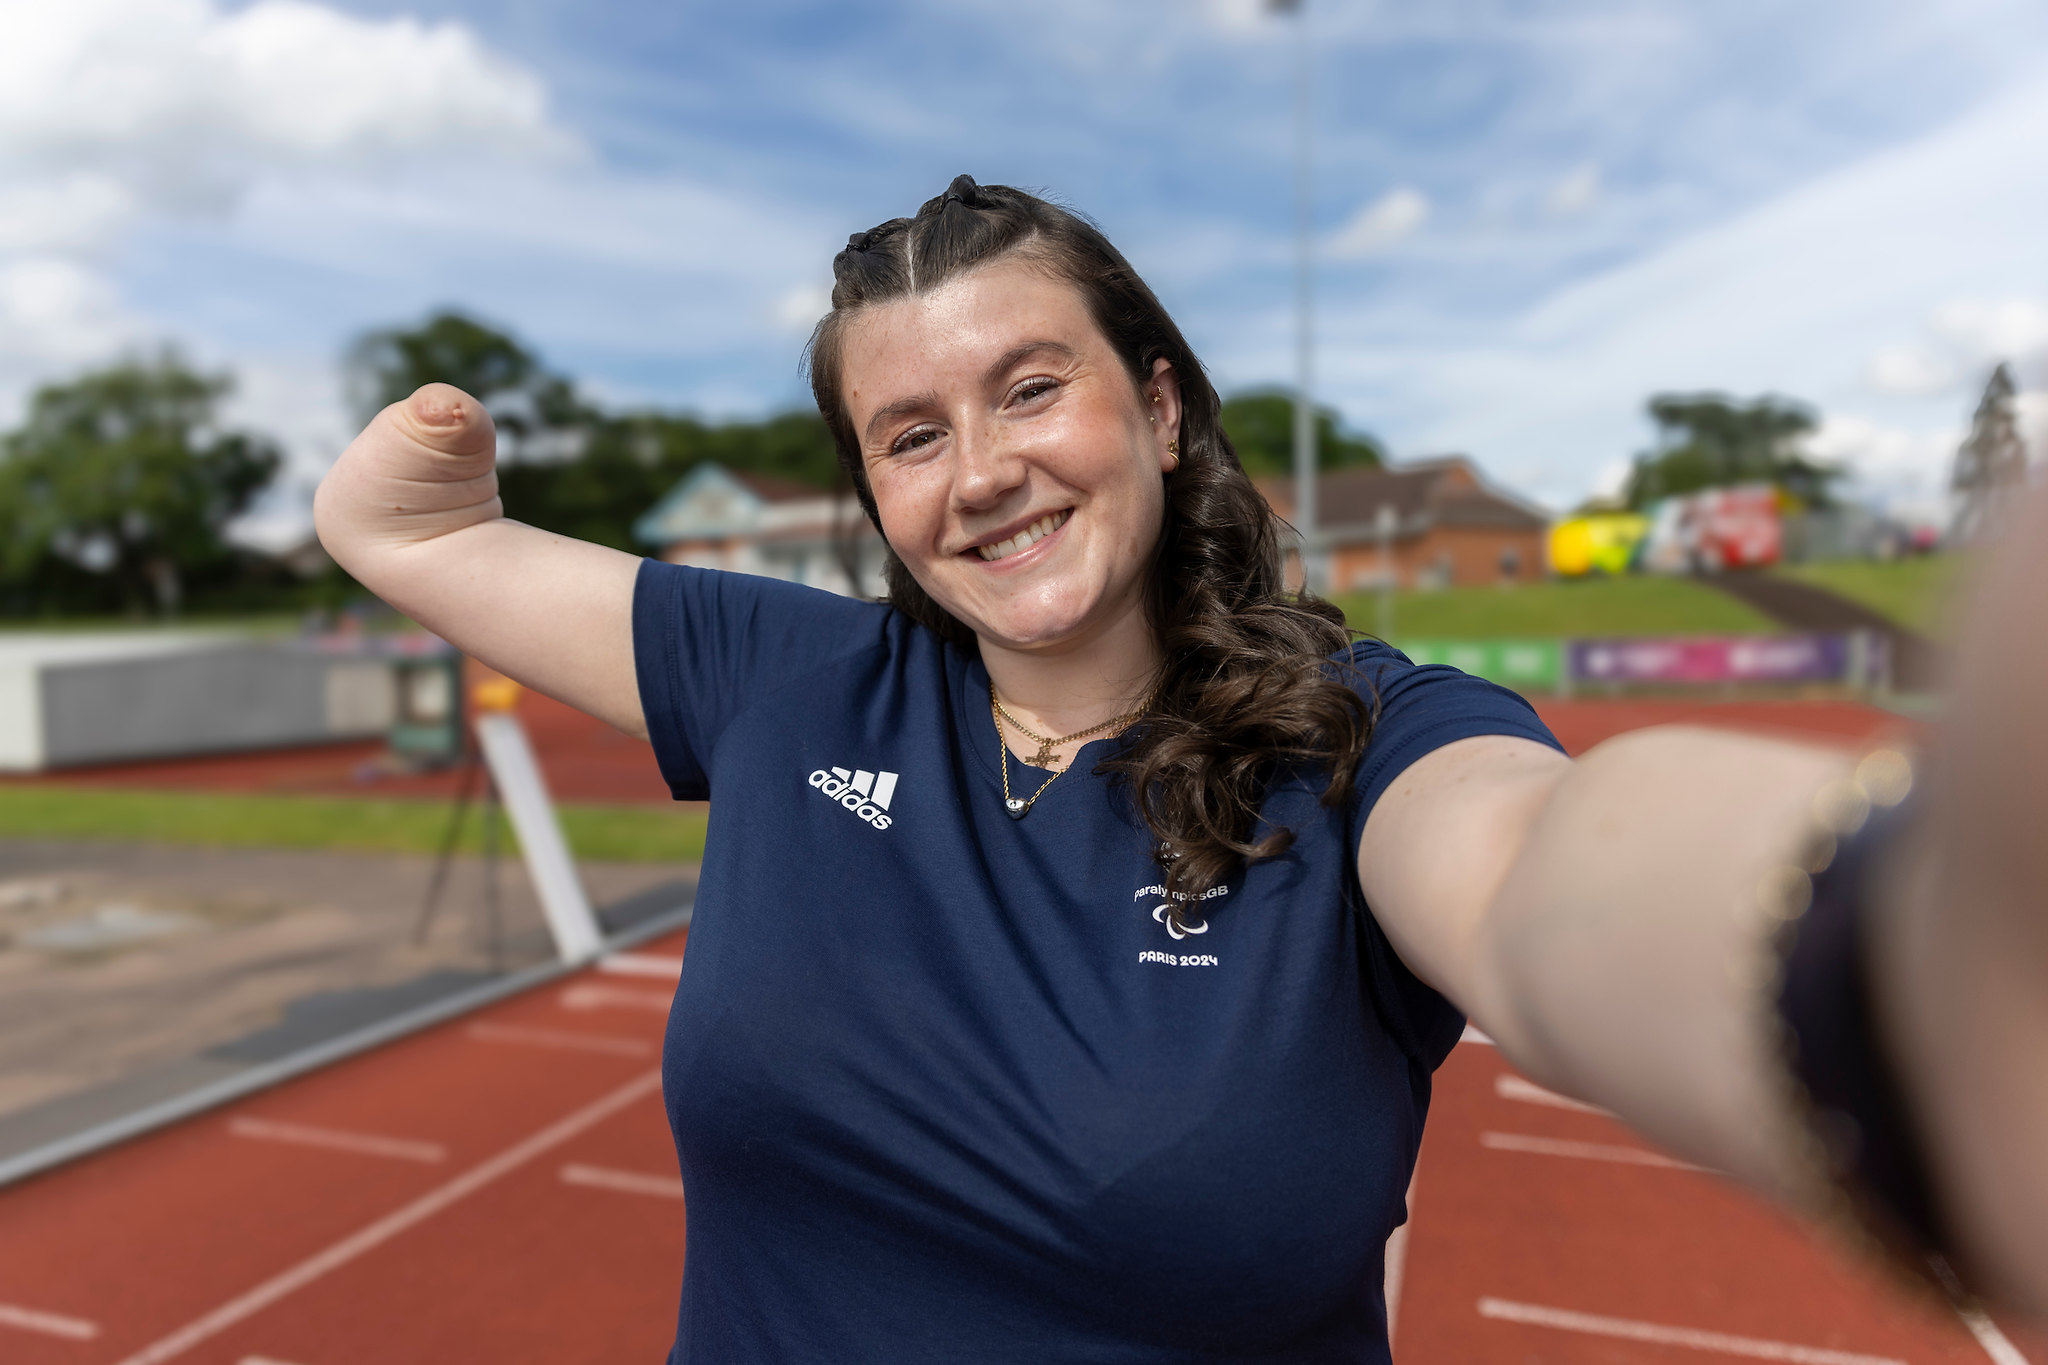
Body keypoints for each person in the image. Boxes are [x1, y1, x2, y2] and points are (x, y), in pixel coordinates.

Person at [315, 176, 2046, 1361]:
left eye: (1029, 389)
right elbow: (401, 536)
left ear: (1156, 409)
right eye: (910, 435)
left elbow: (1539, 874)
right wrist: (411, 473)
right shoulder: (788, 672)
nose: (978, 471)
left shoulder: (1359, 743)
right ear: (873, 496)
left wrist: (1894, 942)